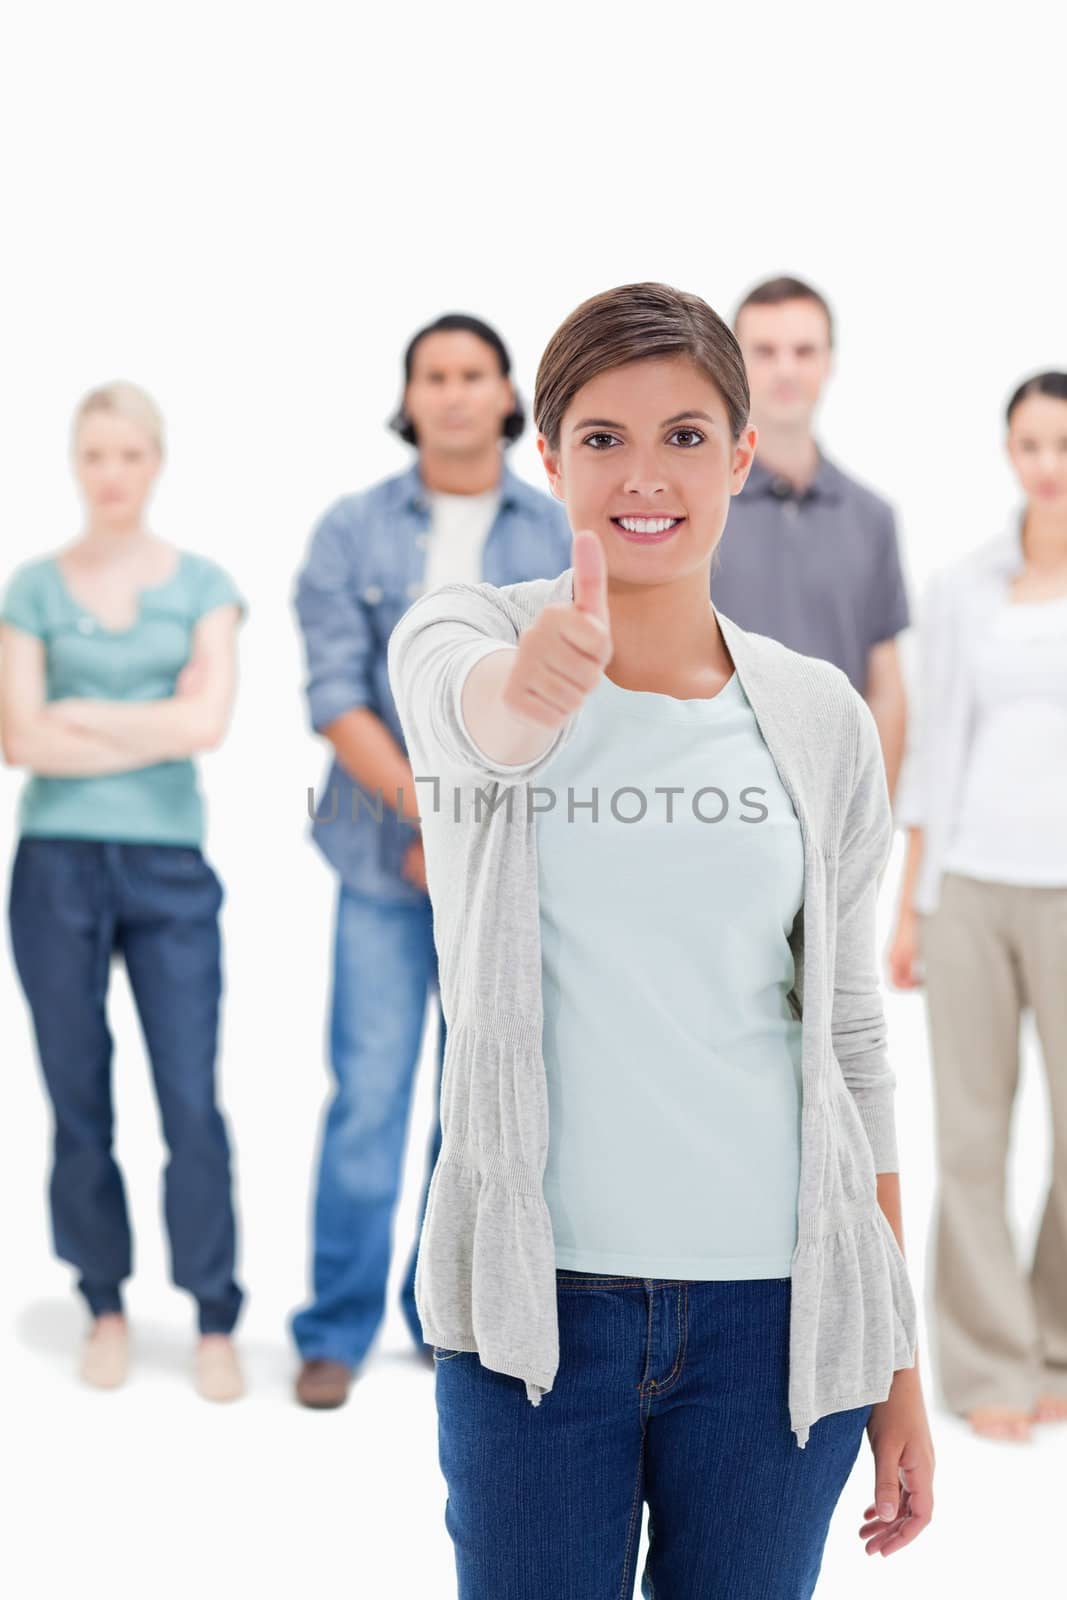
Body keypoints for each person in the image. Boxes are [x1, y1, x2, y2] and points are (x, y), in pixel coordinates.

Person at [388, 282, 934, 1598]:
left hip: (779, 1328)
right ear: (547, 453)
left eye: (686, 436)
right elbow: (476, 724)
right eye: (601, 438)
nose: (644, 474)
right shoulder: (464, 635)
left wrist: (897, 1363)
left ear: (741, 456)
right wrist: (530, 696)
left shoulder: (813, 715)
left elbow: (848, 1042)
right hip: (534, 1320)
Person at [289, 314, 572, 1408]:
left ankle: (442, 1313)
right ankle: (335, 1325)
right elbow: (334, 697)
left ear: (507, 395)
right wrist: (425, 822)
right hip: (379, 863)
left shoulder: (554, 531)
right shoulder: (350, 531)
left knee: (486, 1100)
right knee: (367, 1093)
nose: (453, 393)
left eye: (473, 374)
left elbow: (569, 704)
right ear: (409, 398)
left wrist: (462, 832)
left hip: (504, 869)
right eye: (432, 377)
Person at [0, 380, 247, 1400]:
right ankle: (102, 1299)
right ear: (74, 462)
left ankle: (212, 1313)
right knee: (78, 1096)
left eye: (128, 456)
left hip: (168, 871)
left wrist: (79, 712)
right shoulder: (31, 588)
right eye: (94, 455)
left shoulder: (204, 586)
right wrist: (146, 714)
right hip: (55, 867)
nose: (111, 475)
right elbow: (19, 738)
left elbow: (207, 727)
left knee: (189, 1098)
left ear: (155, 463)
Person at [890, 370, 1067, 1444]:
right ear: (1008, 454)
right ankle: (987, 1358)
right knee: (967, 1135)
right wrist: (912, 901)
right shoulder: (962, 585)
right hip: (967, 886)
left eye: (1063, 445)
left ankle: (1053, 1342)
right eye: (1030, 446)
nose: (1046, 466)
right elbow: (932, 742)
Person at [710, 274, 910, 799]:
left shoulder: (872, 517)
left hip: (833, 804)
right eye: (765, 351)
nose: (785, 369)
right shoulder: (692, 506)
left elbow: (885, 687)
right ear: (734, 363)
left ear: (829, 361)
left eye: (803, 351)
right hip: (712, 801)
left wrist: (875, 821)